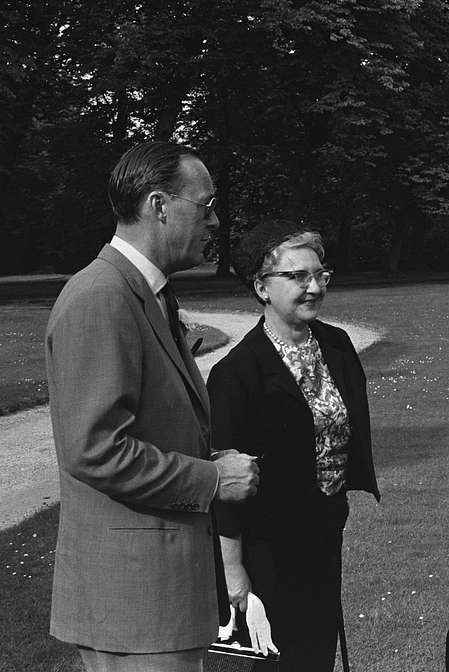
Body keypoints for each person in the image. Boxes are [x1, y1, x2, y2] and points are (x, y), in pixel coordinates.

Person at [45, 141, 260, 672]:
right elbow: (94, 450)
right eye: (204, 205)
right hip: (132, 603)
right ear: (159, 206)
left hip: (158, 597)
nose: (214, 220)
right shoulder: (101, 297)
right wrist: (211, 479)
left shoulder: (151, 295)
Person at [207, 220, 380, 672]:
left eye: (320, 275)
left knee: (317, 653)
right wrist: (233, 570)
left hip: (323, 533)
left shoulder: (336, 345)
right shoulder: (238, 372)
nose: (313, 287)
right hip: (268, 547)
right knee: (281, 661)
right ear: (262, 288)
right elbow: (223, 483)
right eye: (297, 277)